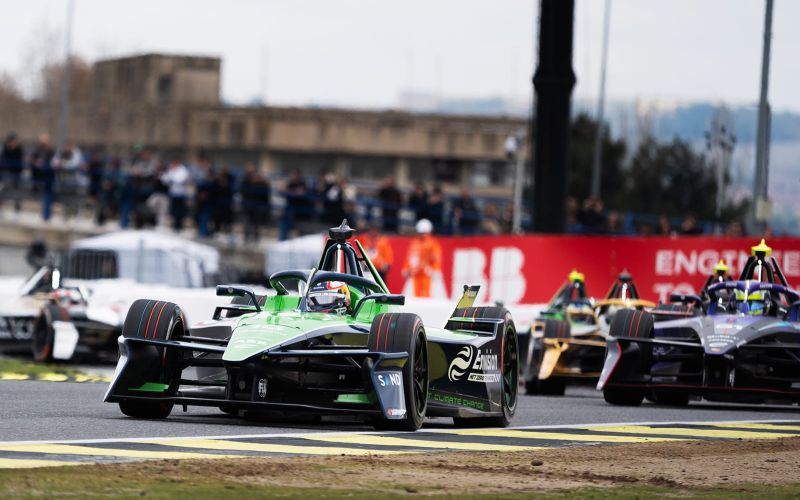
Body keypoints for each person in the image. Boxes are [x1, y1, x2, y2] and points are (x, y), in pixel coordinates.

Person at [402, 218, 442, 298]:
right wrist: (406, 268)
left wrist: (435, 269)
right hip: (415, 274)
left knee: (427, 295)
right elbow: (410, 257)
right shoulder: (415, 243)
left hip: (427, 274)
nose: (421, 235)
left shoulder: (432, 243)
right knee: (414, 296)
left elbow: (436, 258)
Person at [240, 162, 271, 242]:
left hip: (258, 206)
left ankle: (255, 237)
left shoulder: (262, 181)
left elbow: (266, 193)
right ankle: (246, 237)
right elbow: (243, 191)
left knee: (256, 223)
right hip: (248, 205)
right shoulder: (245, 179)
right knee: (247, 222)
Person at [29, 134, 55, 221]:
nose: (44, 144)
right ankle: (35, 185)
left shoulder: (51, 151)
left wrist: (44, 164)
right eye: (42, 142)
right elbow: (31, 160)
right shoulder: (37, 150)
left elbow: (53, 162)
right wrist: (36, 162)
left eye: (45, 142)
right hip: (38, 174)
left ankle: (46, 216)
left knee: (48, 194)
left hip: (47, 175)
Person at [160, 159, 191, 231]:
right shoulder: (171, 170)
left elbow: (180, 180)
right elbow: (164, 180)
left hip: (181, 193)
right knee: (173, 211)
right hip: (173, 193)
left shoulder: (183, 170)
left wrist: (172, 177)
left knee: (180, 211)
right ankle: (174, 225)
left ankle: (179, 226)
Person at [0, 133, 24, 212]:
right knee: (2, 188)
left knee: (18, 191)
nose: (13, 143)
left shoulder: (19, 149)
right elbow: (3, 161)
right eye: (11, 141)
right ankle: (1, 207)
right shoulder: (5, 149)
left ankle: (17, 209)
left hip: (16, 174)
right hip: (6, 174)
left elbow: (20, 163)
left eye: (14, 141)